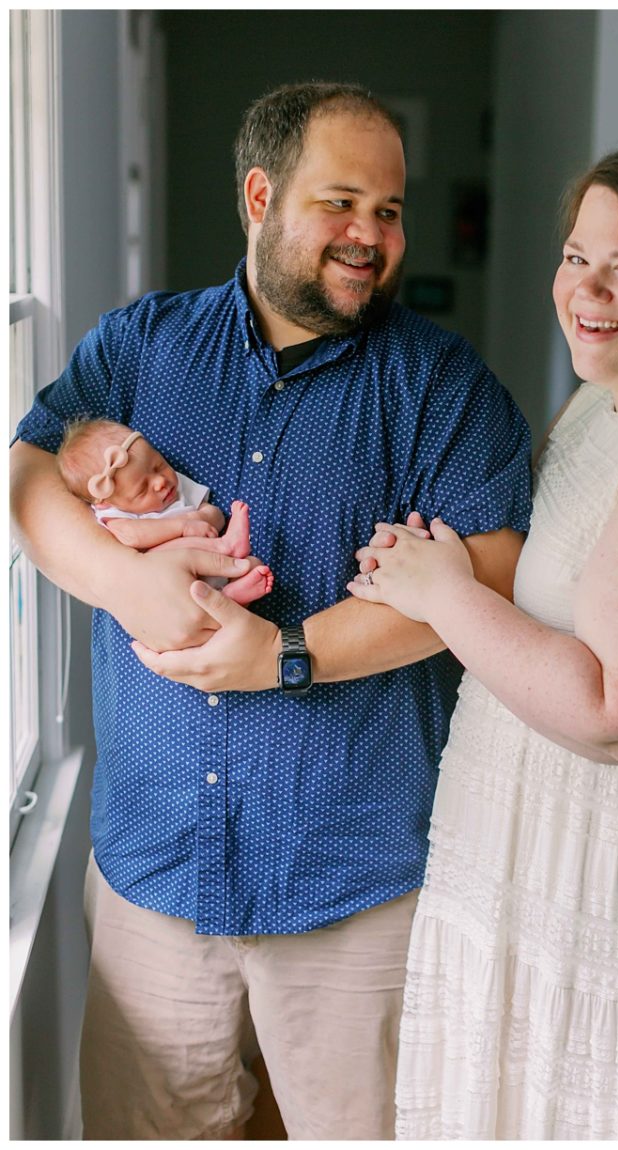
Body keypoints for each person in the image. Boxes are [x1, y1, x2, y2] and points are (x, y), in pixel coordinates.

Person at [10, 81, 531, 1139]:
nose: (370, 236)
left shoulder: (442, 386)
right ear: (260, 195)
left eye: (388, 210)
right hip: (152, 867)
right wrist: (127, 581)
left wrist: (286, 652)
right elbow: (26, 474)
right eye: (341, 203)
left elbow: (495, 572)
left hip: (350, 879)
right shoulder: (138, 347)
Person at [351, 143, 618, 1139]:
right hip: (541, 875)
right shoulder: (608, 402)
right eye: (577, 256)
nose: (588, 288)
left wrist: (445, 596)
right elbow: (578, 591)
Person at [57, 418, 274, 605]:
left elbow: (214, 514)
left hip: (217, 567)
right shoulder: (116, 516)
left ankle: (234, 584)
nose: (160, 482)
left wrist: (200, 518)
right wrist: (183, 526)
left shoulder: (175, 486)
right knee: (164, 553)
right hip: (174, 582)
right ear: (107, 503)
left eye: (158, 466)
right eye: (142, 489)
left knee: (253, 567)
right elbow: (132, 536)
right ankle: (228, 565)